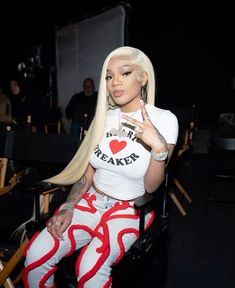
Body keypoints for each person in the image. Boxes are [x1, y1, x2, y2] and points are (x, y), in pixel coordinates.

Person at [23, 46, 179, 288]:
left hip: (130, 210)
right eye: (108, 76)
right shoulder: (104, 117)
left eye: (125, 73)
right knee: (36, 254)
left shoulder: (164, 119)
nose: (115, 82)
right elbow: (88, 173)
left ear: (143, 77)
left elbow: (151, 186)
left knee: (90, 267)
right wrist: (68, 205)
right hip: (91, 202)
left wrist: (158, 147)